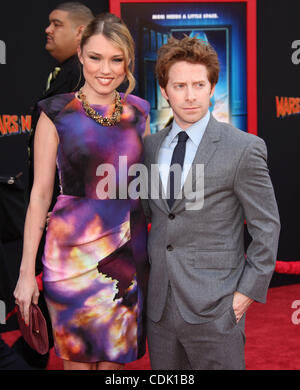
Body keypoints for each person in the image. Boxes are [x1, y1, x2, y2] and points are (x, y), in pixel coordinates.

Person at [14, 13, 150, 370]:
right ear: (80, 55)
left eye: (116, 59)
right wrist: (27, 274)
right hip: (70, 263)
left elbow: (145, 184)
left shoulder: (140, 113)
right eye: (95, 57)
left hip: (126, 260)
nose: (105, 69)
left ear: (127, 62)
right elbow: (40, 195)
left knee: (116, 369)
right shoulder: (56, 113)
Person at [142, 36, 281, 370]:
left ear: (212, 87)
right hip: (159, 310)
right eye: (179, 85)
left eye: (198, 84)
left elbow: (267, 227)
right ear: (164, 90)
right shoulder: (148, 148)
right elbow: (152, 216)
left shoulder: (243, 148)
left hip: (216, 307)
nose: (189, 95)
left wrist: (243, 296)